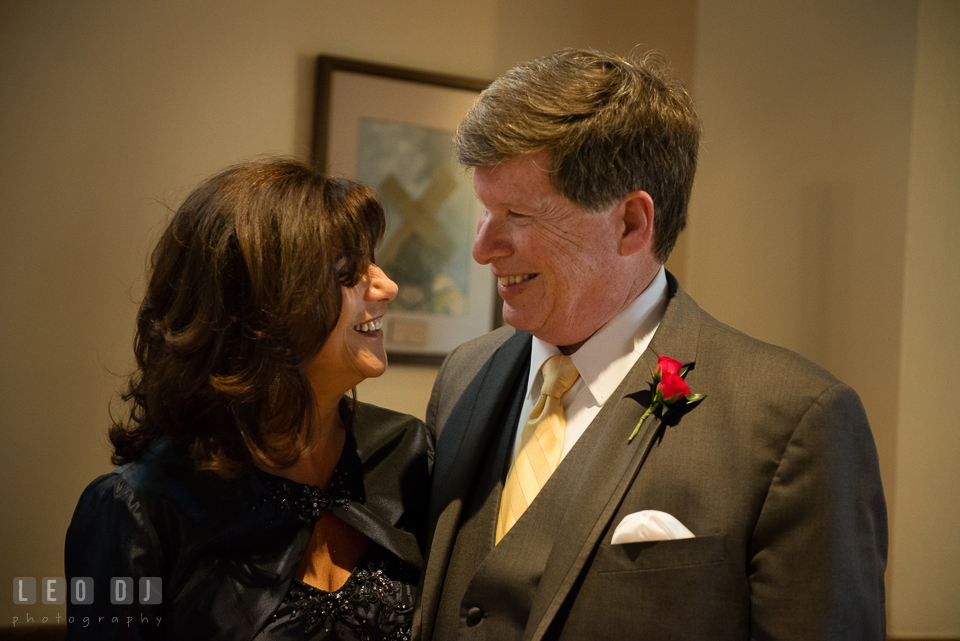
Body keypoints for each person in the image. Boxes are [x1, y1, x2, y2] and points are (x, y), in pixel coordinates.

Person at [415, 49, 887, 640]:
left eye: (518, 214)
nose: (483, 248)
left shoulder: (795, 422)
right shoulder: (465, 375)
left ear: (632, 224)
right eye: (484, 210)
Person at [65, 159, 432, 640]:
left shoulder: (405, 452)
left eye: (374, 262)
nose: (387, 286)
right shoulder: (139, 509)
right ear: (260, 309)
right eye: (348, 275)